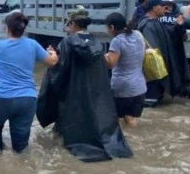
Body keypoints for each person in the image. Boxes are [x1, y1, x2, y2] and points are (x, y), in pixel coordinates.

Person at [38, 9, 133, 162]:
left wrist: (52, 55)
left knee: (63, 128)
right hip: (92, 92)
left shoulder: (67, 42)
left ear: (73, 23)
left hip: (73, 93)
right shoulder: (96, 43)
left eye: (68, 23)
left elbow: (59, 70)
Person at [0, 12, 59, 154]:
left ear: (7, 28)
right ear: (23, 29)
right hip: (27, 99)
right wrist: (53, 53)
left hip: (2, 98)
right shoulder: (32, 45)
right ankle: (21, 162)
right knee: (21, 142)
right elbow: (52, 62)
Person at [137, 0, 190, 107]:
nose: (164, 8)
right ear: (154, 8)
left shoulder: (155, 22)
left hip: (158, 72)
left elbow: (167, 34)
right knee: (151, 101)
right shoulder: (148, 25)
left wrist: (178, 25)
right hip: (152, 75)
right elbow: (151, 53)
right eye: (162, 6)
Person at [104, 12, 146, 128]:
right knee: (131, 119)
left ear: (112, 27)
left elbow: (110, 64)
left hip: (123, 89)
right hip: (140, 87)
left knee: (116, 122)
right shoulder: (138, 34)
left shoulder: (117, 41)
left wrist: (100, 54)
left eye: (107, 28)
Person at [154, 0, 190, 98]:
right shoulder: (178, 18)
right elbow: (184, 37)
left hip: (160, 52)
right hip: (175, 52)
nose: (168, 7)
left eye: (169, 5)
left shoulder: (152, 19)